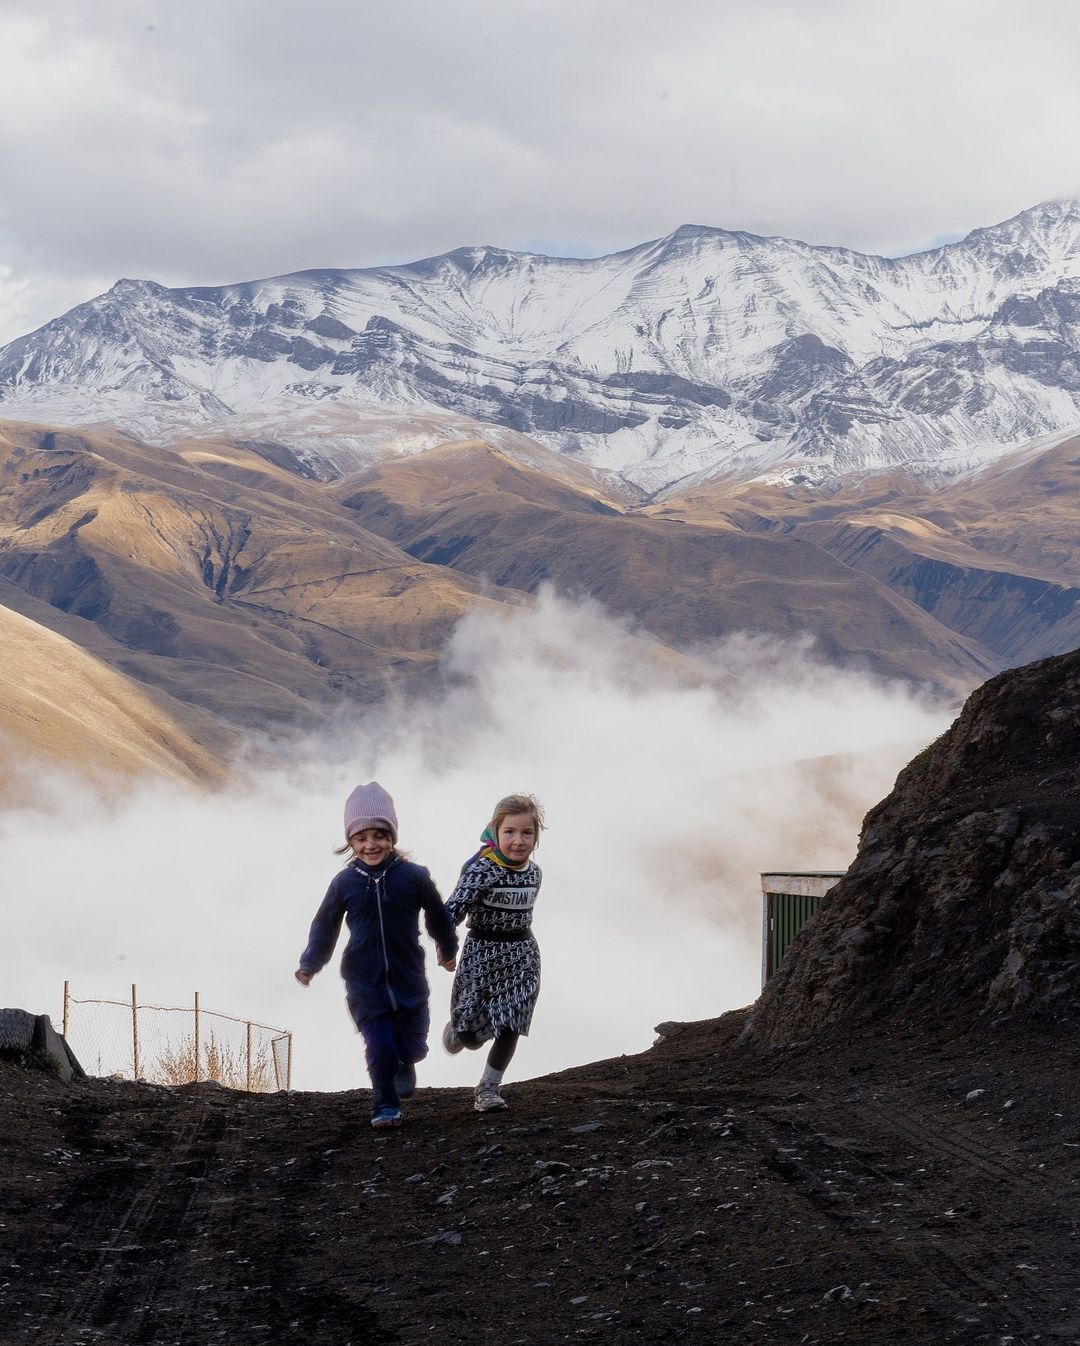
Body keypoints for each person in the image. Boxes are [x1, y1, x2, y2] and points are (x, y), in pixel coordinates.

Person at [295, 781, 458, 1130]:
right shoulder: (344, 883)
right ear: (350, 842)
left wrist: (447, 949)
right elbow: (325, 925)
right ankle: (385, 1104)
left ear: (392, 836)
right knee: (379, 1046)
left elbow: (438, 915)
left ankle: (407, 1059)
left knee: (413, 1044)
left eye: (379, 835)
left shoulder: (413, 877)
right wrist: (310, 963)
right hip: (364, 981)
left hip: (408, 977)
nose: (371, 844)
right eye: (361, 838)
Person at [442, 793, 545, 1113]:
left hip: (522, 955)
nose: (518, 841)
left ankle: (488, 1089)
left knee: (511, 1022)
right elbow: (451, 911)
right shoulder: (481, 870)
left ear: (536, 837)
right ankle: (459, 1029)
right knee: (472, 1037)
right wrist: (446, 949)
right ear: (496, 832)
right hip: (482, 955)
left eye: (527, 833)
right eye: (510, 832)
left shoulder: (534, 873)